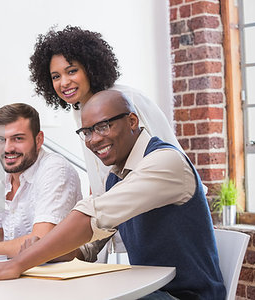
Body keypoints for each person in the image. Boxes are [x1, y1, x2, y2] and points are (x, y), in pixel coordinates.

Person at [0, 91, 226, 300]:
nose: (93, 140)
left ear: (132, 121)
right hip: (151, 290)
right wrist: (48, 251)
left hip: (184, 295)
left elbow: (91, 216)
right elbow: (89, 248)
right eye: (86, 131)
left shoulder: (165, 161)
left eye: (103, 126)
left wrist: (16, 264)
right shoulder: (116, 176)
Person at [29, 25, 192, 259]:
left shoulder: (127, 102)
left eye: (71, 71)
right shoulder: (80, 110)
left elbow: (170, 165)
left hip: (167, 227)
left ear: (90, 67)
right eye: (56, 76)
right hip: (130, 230)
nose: (63, 82)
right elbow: (100, 182)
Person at [0, 103, 82, 258]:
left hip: (58, 273)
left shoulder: (55, 169)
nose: (7, 148)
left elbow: (40, 241)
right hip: (19, 271)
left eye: (17, 139)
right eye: (1, 139)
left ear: (39, 140)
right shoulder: (4, 175)